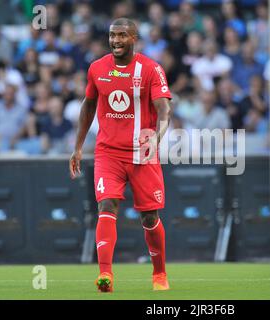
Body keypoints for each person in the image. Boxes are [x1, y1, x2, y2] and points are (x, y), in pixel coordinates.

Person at [69, 18, 172, 293]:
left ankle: (159, 274)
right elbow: (88, 105)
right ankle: (105, 275)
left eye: (122, 35)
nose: (115, 40)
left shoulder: (151, 69)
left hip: (142, 153)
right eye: (112, 35)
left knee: (149, 217)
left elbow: (164, 109)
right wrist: (78, 146)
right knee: (106, 206)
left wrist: (156, 137)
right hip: (108, 153)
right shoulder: (97, 68)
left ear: (134, 38)